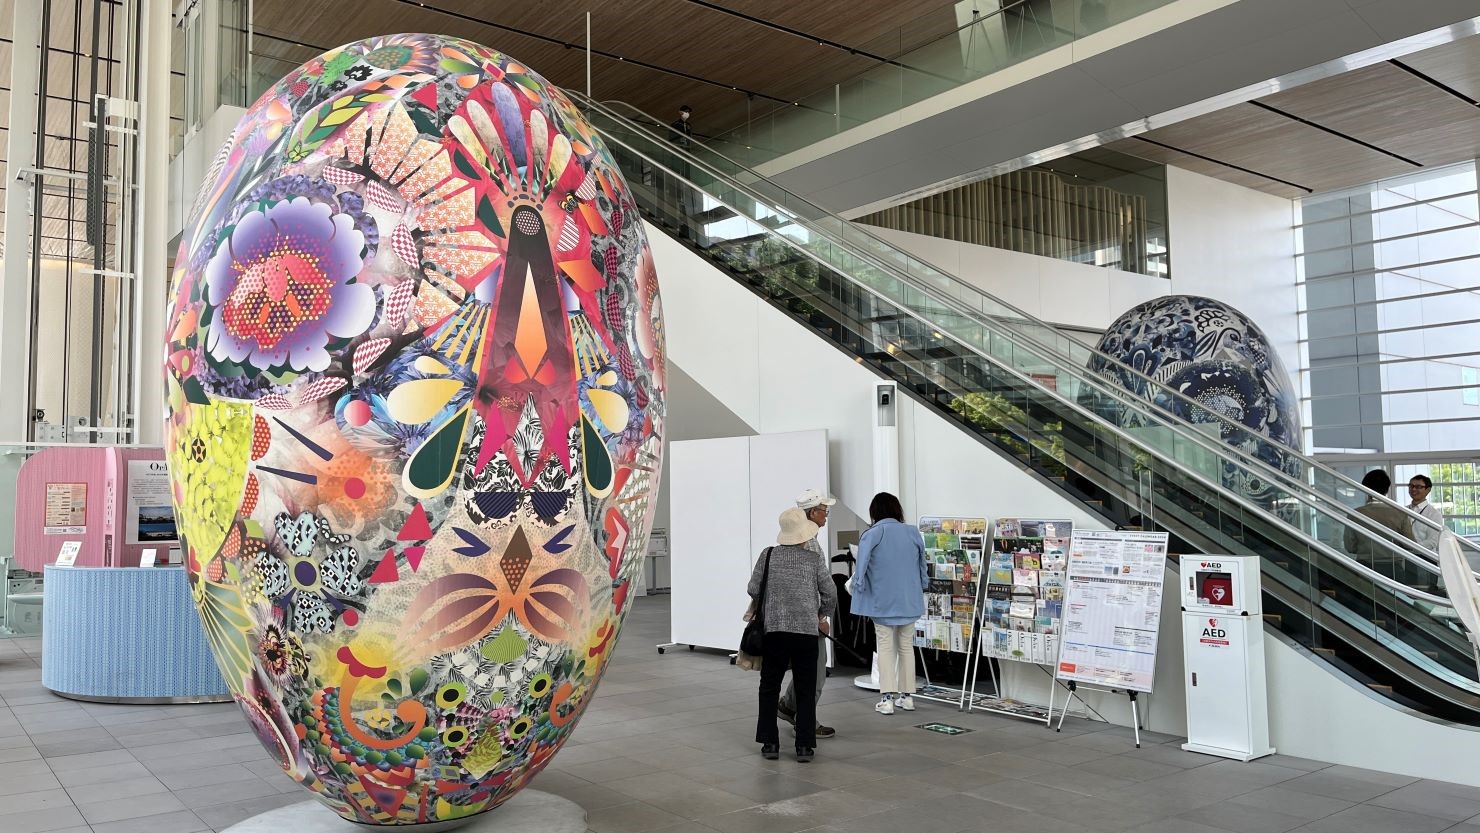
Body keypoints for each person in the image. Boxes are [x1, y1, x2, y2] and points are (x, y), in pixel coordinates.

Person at [748, 507, 836, 762]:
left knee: (769, 686)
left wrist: (774, 603)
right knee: (805, 687)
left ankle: (769, 743)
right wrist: (822, 616)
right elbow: (830, 591)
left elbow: (753, 588)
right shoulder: (812, 559)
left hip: (774, 631)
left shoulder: (768, 555)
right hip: (806, 632)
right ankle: (804, 746)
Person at [850, 492, 927, 715]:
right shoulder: (912, 532)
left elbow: (861, 567)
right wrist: (922, 584)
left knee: (885, 647)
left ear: (875, 512)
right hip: (910, 601)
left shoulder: (873, 534)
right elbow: (922, 567)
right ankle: (907, 697)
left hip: (882, 603)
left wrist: (858, 587)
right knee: (906, 647)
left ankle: (887, 699)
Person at [778, 490, 836, 739]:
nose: (826, 515)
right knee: (815, 672)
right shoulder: (809, 543)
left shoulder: (791, 543)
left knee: (809, 667)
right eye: (825, 510)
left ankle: (789, 705)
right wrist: (822, 617)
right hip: (809, 618)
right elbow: (819, 586)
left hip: (793, 617)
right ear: (813, 513)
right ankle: (805, 721)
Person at [1345, 469, 1415, 567]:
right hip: (1393, 566)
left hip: (1365, 566)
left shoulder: (1355, 514)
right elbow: (1410, 545)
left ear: (1365, 489)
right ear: (1387, 489)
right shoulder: (1400, 513)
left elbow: (1350, 547)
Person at [1407, 474, 1445, 550]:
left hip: (1425, 557)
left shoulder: (1434, 514)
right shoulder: (1403, 510)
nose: (1413, 489)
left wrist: (1412, 547)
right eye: (1411, 486)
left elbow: (1433, 541)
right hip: (1403, 556)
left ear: (1428, 490)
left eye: (1418, 487)